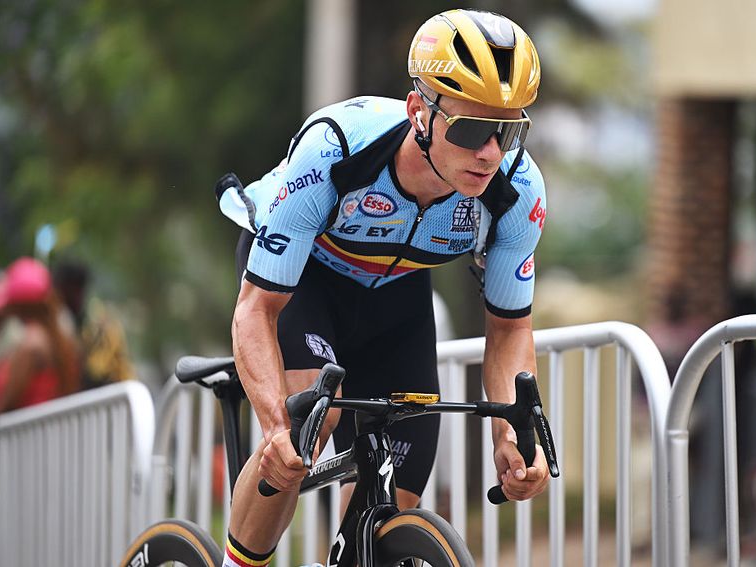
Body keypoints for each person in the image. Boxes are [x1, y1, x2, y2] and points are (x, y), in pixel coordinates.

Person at [216, 9, 549, 565]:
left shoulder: (516, 188)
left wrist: (511, 435)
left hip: (396, 296)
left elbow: (511, 328)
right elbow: (256, 310)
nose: (490, 151)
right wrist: (275, 424)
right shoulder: (336, 148)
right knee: (305, 430)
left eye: (507, 130)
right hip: (305, 281)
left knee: (393, 505)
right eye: (470, 129)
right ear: (420, 112)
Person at [0, 257, 81, 412]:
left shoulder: (31, 345)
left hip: (24, 432)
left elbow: (6, 404)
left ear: (17, 307)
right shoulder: (58, 338)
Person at [52, 260, 134, 389]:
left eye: (79, 289)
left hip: (111, 392)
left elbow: (96, 373)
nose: (77, 296)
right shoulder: (62, 321)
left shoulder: (99, 325)